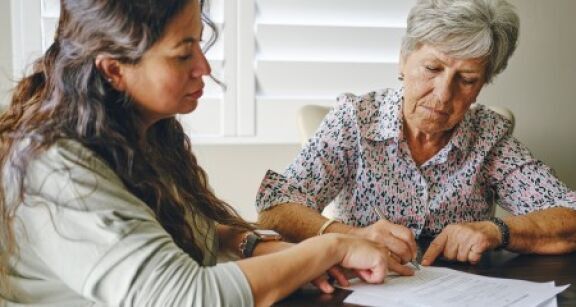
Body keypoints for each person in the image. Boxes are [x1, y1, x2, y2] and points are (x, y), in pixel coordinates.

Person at [0, 0, 414, 306]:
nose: (204, 67)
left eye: (199, 43)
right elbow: (187, 296)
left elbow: (177, 231)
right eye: (183, 54)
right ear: (113, 70)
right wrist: (331, 246)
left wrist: (251, 243)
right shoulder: (57, 169)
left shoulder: (136, 133)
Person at [256, 0, 576, 267]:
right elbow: (276, 209)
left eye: (466, 79)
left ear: (482, 86)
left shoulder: (489, 136)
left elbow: (569, 215)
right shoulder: (355, 120)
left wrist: (497, 230)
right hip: (364, 286)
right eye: (432, 69)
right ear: (404, 61)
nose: (443, 94)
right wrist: (351, 235)